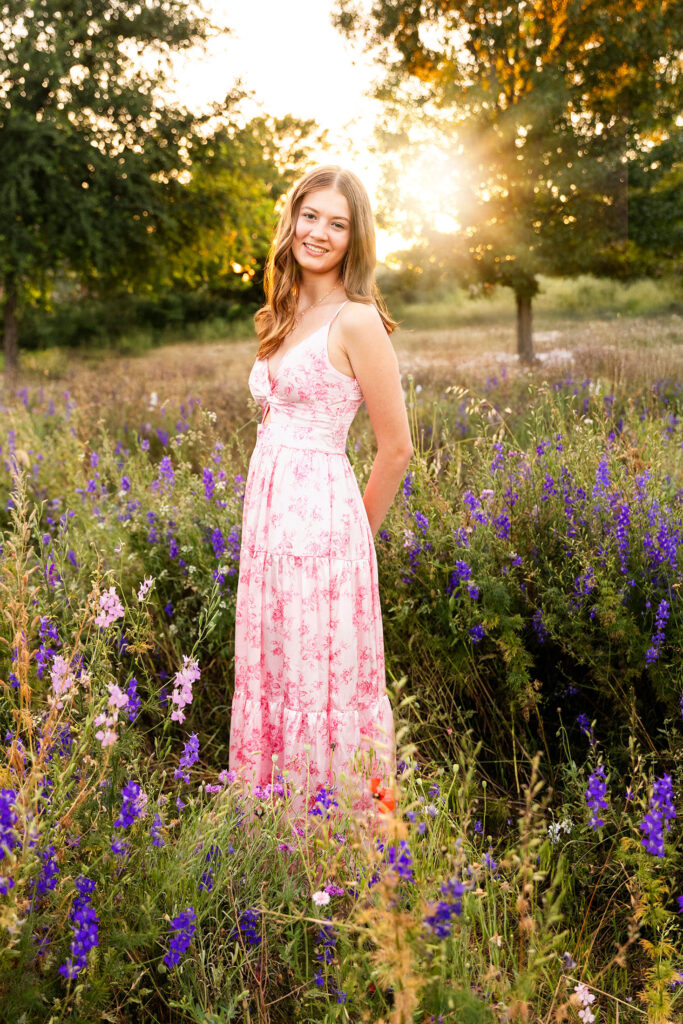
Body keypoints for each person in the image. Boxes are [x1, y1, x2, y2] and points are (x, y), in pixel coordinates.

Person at [228, 165, 413, 826]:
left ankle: (339, 843)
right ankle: (272, 835)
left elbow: (396, 448)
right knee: (277, 671)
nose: (319, 232)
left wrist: (349, 543)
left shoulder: (357, 320)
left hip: (326, 534)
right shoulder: (284, 310)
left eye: (337, 223)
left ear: (354, 237)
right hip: (270, 526)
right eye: (311, 216)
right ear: (293, 219)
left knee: (321, 683)